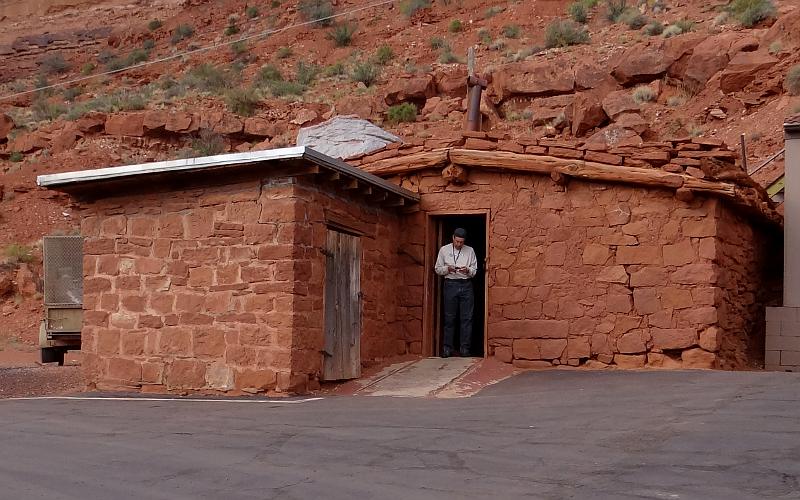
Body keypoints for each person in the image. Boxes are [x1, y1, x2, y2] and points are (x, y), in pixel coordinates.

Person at [434, 228, 478, 358]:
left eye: (461, 242)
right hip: (450, 284)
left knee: (466, 318)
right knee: (449, 318)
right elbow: (437, 269)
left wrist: (468, 270)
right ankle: (447, 348)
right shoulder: (444, 250)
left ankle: (465, 349)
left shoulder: (470, 250)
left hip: (466, 285)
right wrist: (447, 268)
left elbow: (475, 270)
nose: (459, 244)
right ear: (453, 238)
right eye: (457, 241)